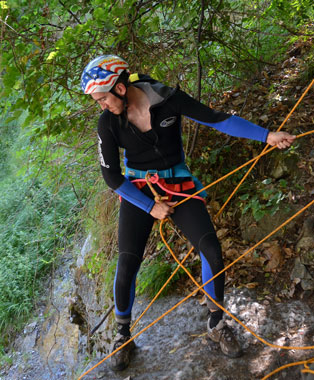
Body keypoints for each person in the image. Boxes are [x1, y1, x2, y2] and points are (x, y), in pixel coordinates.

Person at [81, 55, 295, 371]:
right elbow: (112, 177)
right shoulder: (108, 123)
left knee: (211, 249)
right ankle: (123, 336)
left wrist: (268, 136)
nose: (102, 106)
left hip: (178, 183)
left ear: (121, 88)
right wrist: (149, 206)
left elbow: (217, 119)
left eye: (102, 98)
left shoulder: (168, 99)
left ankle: (216, 324)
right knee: (127, 263)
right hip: (139, 190)